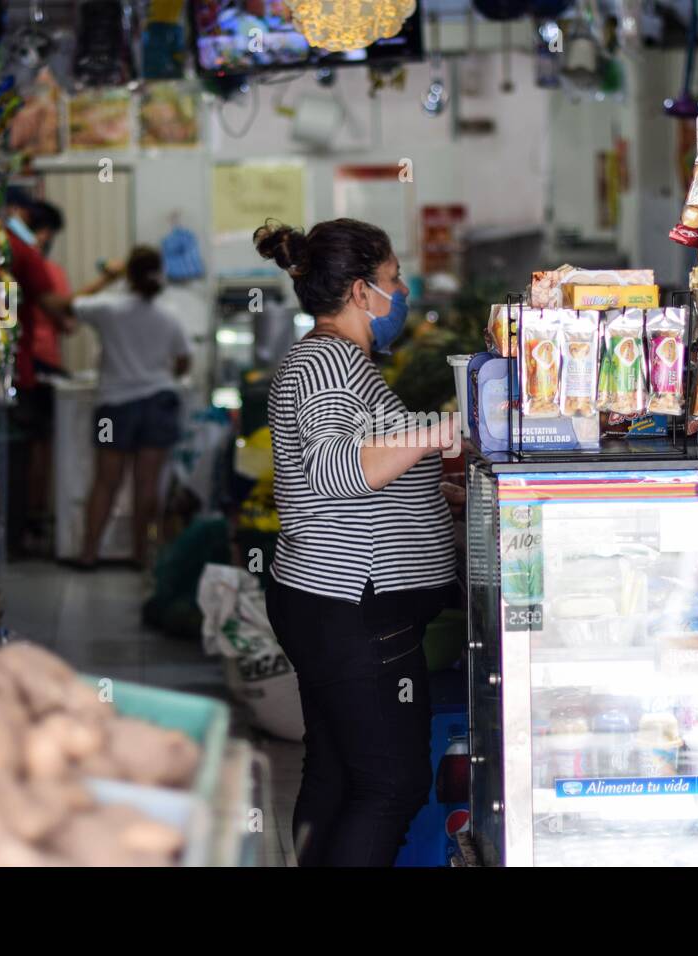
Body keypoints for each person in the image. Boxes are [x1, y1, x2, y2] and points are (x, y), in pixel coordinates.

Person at [255, 217, 457, 866]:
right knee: (390, 786)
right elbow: (338, 469)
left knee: (340, 774)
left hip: (332, 601)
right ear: (359, 290)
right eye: (394, 278)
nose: (402, 292)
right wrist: (445, 427)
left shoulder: (337, 361)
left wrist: (432, 490)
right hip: (351, 605)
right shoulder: (324, 364)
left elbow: (363, 465)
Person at [41, 247, 192, 570]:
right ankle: (141, 554)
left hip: (115, 407)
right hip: (159, 401)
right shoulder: (170, 315)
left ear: (130, 275)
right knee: (147, 483)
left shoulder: (108, 308)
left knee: (106, 481)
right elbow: (183, 361)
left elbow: (55, 303)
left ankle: (89, 553)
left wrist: (106, 277)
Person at [7, 198, 71, 556]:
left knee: (22, 451)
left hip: (19, 365)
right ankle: (19, 532)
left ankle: (19, 529)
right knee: (26, 452)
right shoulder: (27, 253)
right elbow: (57, 309)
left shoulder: (4, 244)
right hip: (23, 368)